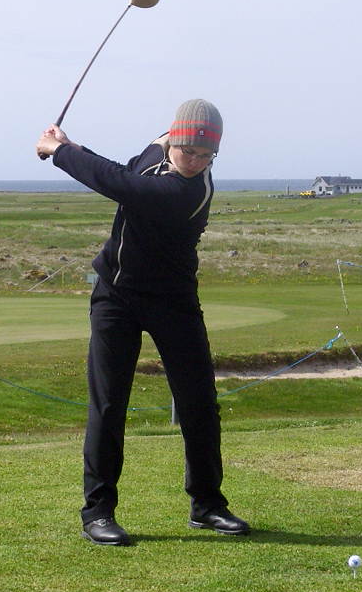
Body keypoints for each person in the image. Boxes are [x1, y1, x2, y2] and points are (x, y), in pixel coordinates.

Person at [35, 98, 249, 546]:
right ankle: (98, 512)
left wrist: (61, 152)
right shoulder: (157, 150)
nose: (195, 162)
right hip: (115, 295)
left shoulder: (189, 192)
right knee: (109, 404)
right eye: (188, 151)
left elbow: (123, 185)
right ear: (172, 140)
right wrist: (70, 146)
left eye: (206, 155)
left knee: (198, 402)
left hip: (173, 300)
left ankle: (207, 504)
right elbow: (125, 169)